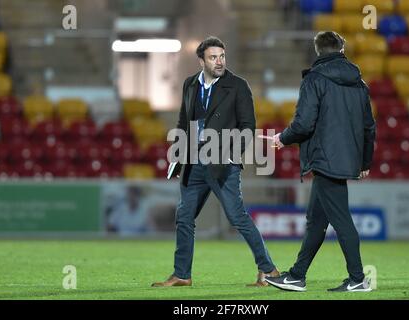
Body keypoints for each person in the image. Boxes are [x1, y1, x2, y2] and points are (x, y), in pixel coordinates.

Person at [152, 36, 279, 287]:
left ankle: (269, 270)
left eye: (222, 56)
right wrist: (178, 156)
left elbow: (247, 126)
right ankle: (182, 275)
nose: (219, 61)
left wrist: (233, 155)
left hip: (223, 163)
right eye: (213, 57)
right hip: (193, 163)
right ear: (201, 60)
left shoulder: (239, 85)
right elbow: (182, 122)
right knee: (184, 216)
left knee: (237, 217)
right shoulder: (190, 84)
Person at [265, 31, 376, 292]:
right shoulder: (359, 83)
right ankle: (296, 275)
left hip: (325, 159)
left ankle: (358, 279)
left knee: (341, 220)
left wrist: (284, 137)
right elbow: (369, 127)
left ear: (317, 50)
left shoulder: (314, 80)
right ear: (342, 48)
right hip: (345, 158)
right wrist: (364, 161)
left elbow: (304, 123)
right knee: (316, 220)